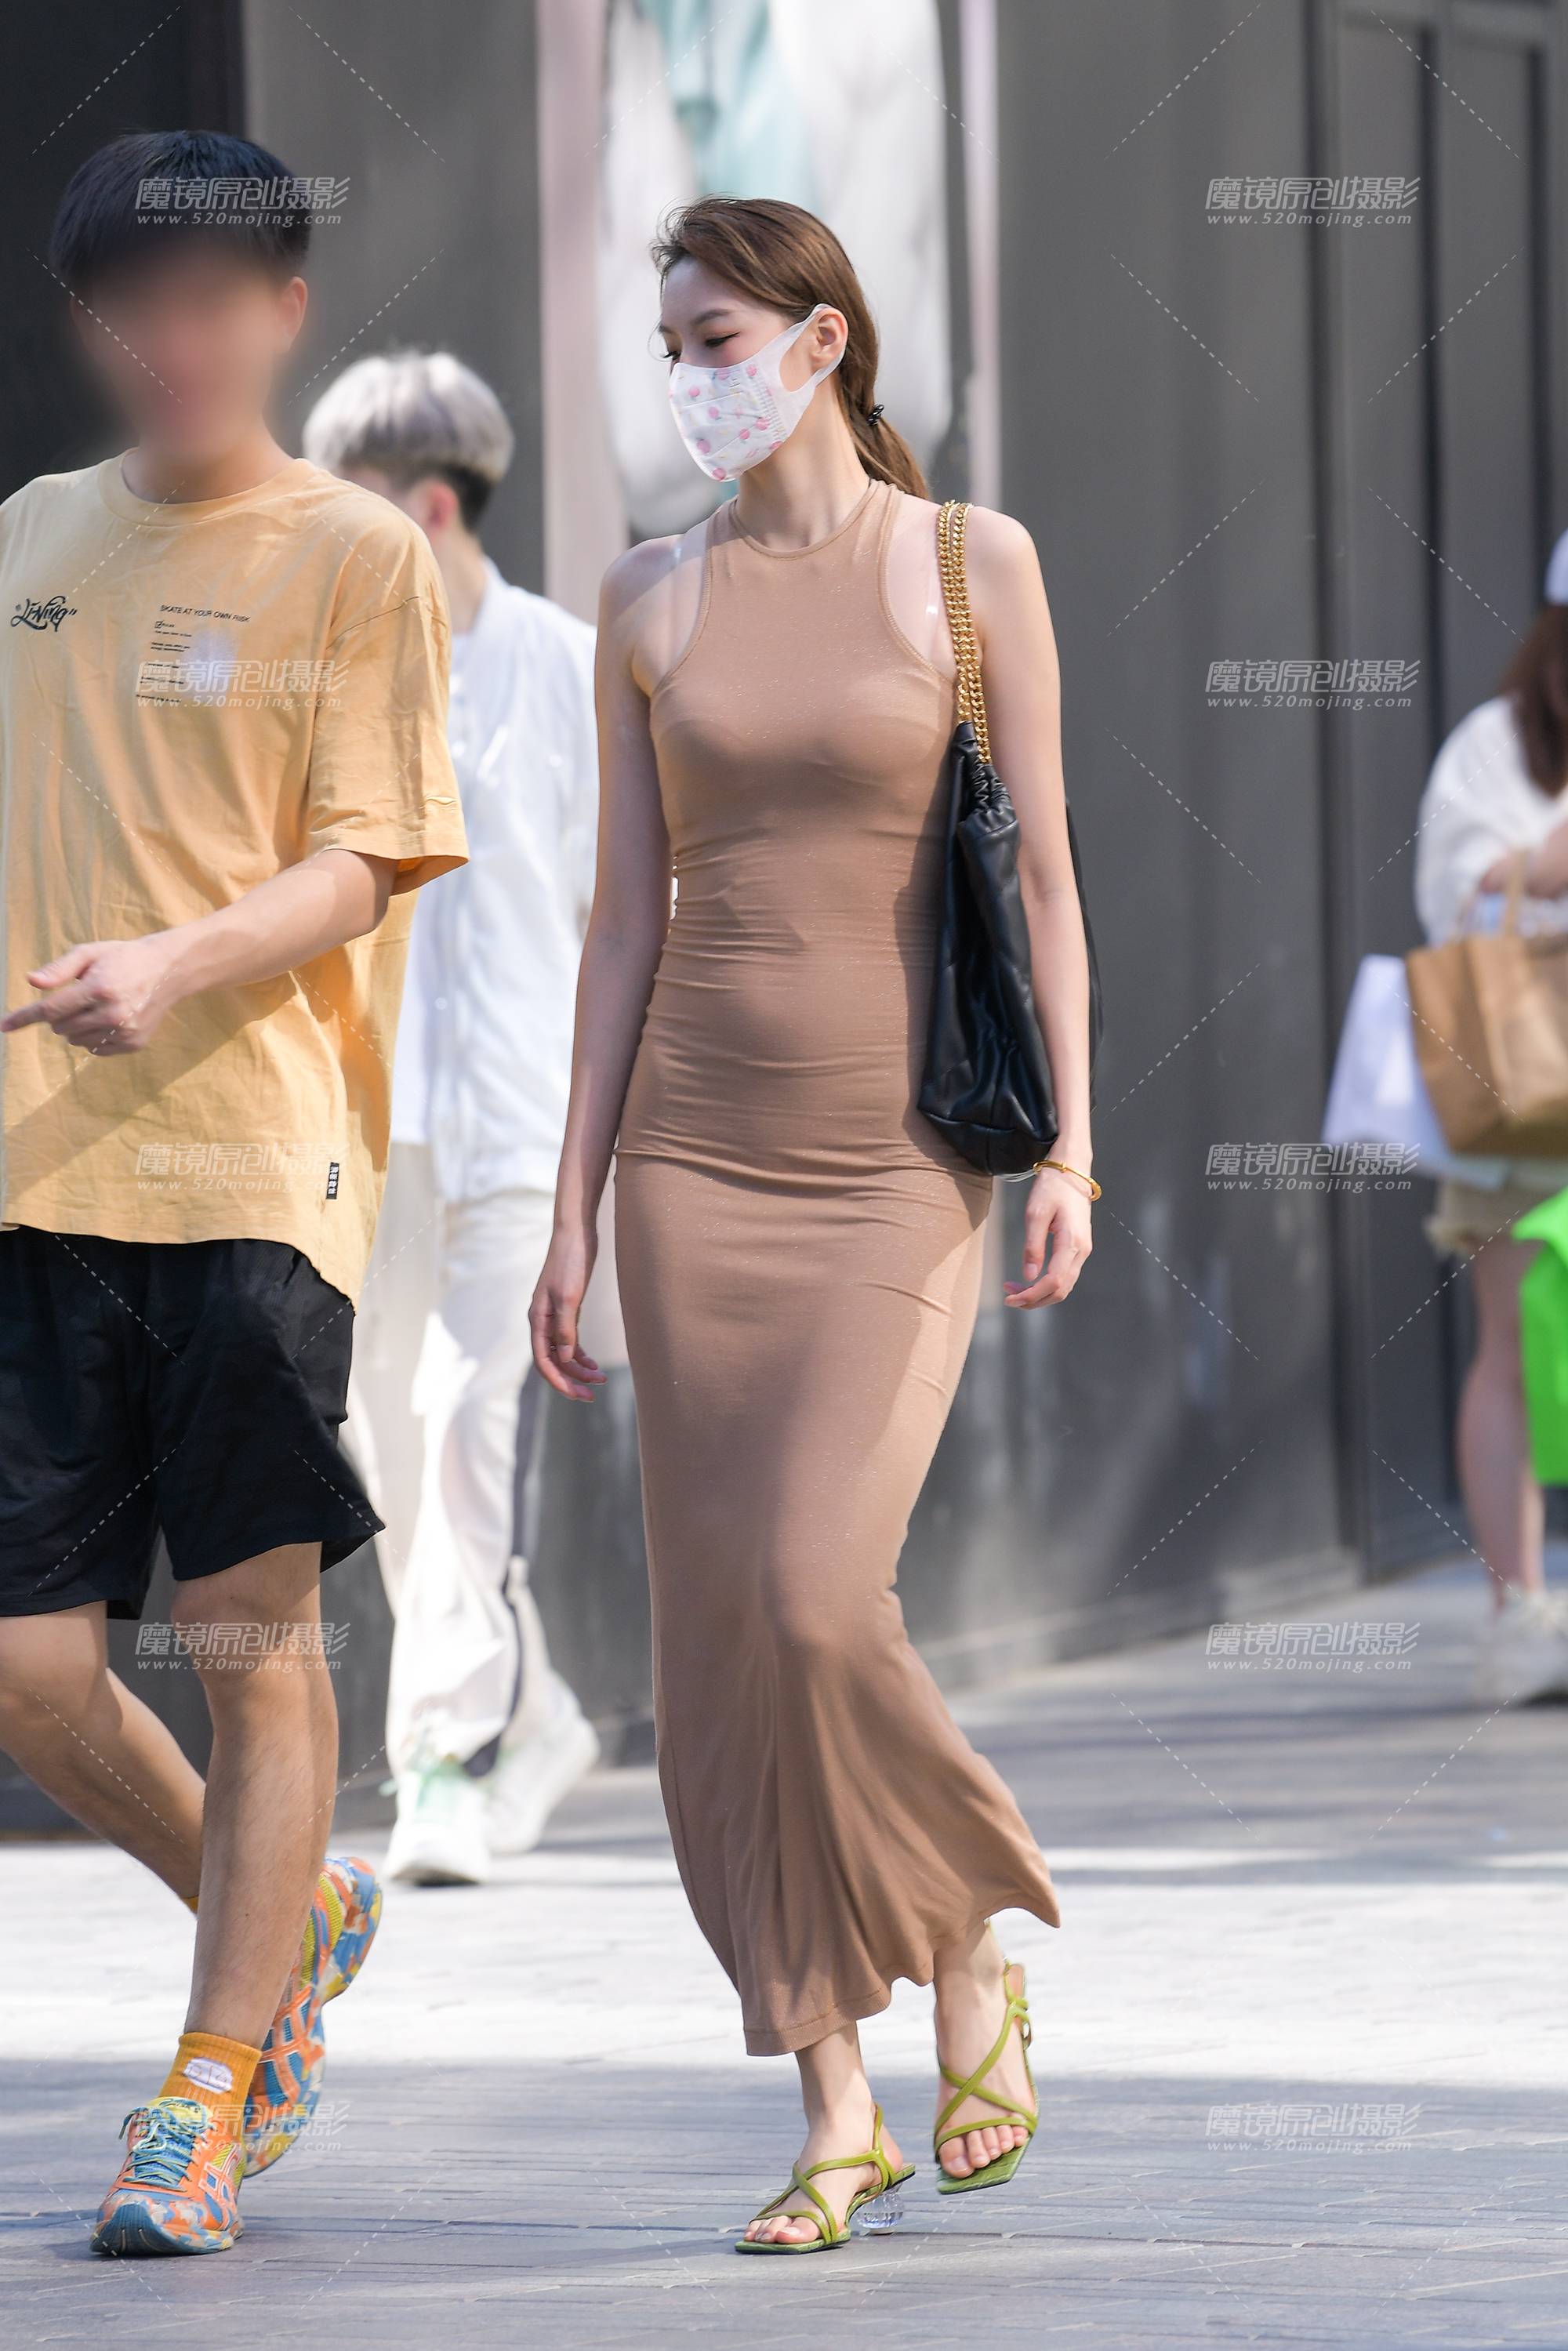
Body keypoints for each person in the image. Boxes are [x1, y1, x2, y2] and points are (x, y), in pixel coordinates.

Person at [530, 196, 1095, 2252]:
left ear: (820, 339)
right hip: (691, 1165)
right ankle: (832, 2102)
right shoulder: (644, 597)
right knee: (723, 1649)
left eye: (714, 338)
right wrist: (574, 1211)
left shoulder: (968, 563)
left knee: (812, 1596)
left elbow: (1045, 885)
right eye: (670, 344)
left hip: (900, 1160)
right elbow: (622, 929)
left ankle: (966, 1942)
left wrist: (1074, 1154)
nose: (688, 377)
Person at [0, 132, 465, 2255]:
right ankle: (281, 1918)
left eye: (210, 303)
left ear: (281, 313)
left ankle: (205, 2093)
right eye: (132, 307)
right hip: (35, 1174)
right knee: (26, 1673)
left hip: (258, 1163)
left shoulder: (356, 556)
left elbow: (365, 857)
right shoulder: (29, 539)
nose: (169, 344)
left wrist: (177, 965)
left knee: (244, 1632)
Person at [303, 353, 601, 1884]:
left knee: (463, 1427)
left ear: (426, 509)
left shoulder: (573, 668)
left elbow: (622, 910)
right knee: (397, 1460)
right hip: (371, 1133)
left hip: (525, 1125)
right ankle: (538, 1713)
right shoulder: (320, 676)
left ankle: (441, 1762)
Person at [1414, 532, 1568, 1705]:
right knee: (1514, 1341)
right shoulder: (1493, 750)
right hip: (1526, 1088)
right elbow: (1454, 907)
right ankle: (1520, 1614)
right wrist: (1546, 868)